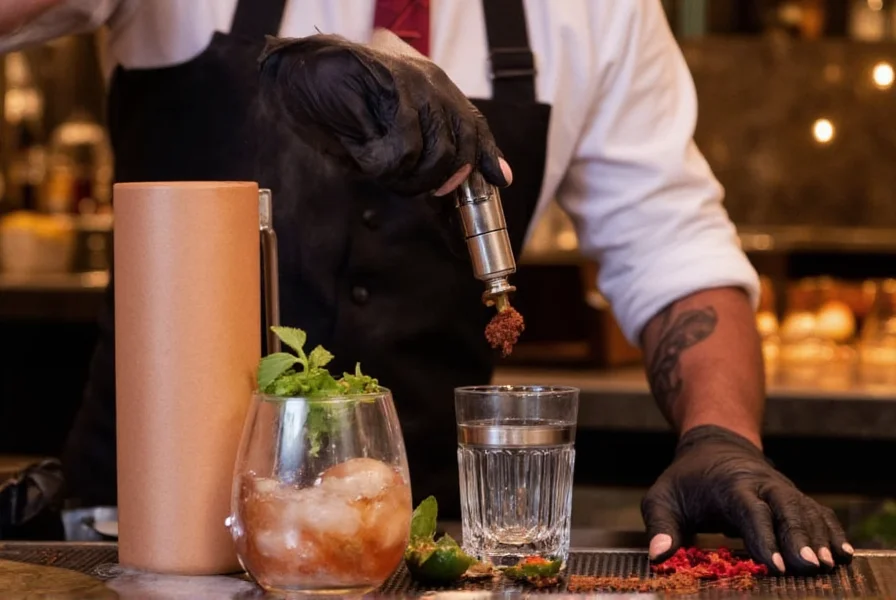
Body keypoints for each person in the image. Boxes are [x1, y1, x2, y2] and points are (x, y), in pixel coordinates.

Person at [0, 0, 853, 574]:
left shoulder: (598, 11)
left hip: (408, 553)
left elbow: (675, 254)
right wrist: (284, 67)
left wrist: (721, 437)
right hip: (132, 548)